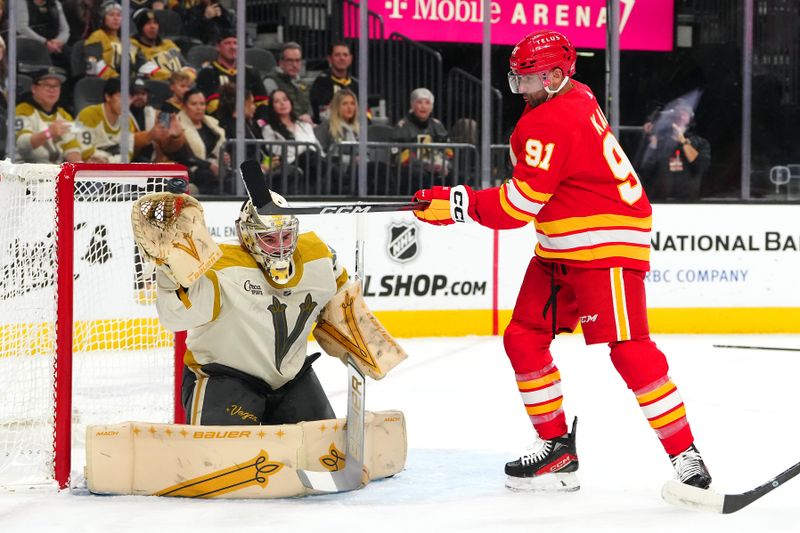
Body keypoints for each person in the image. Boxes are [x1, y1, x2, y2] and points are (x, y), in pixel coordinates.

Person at [411, 30, 712, 492]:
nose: (519, 87)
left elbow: (515, 209)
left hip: (606, 243)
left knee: (630, 349)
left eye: (526, 78)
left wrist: (456, 204)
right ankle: (557, 449)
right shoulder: (577, 93)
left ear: (554, 77)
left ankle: (686, 455)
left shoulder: (550, 120)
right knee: (522, 338)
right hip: (561, 244)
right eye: (516, 77)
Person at [154, 192, 349, 426]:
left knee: (326, 454)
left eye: (286, 236)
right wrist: (169, 271)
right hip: (224, 378)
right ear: (246, 235)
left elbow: (346, 312)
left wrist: (365, 355)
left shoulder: (318, 257)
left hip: (290, 380)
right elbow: (175, 319)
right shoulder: (219, 266)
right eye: (270, 239)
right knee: (221, 458)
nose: (280, 248)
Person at [634, 98, 711, 201]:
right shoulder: (659, 142)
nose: (681, 116)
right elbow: (643, 171)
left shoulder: (700, 143)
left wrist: (683, 141)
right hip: (660, 203)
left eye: (685, 113)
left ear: (691, 118)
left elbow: (701, 167)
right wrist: (651, 140)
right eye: (678, 113)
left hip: (690, 204)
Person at [75, 76, 154, 162]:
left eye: (129, 98)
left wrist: (107, 160)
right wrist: (110, 159)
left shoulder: (127, 121)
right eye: (121, 97)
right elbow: (84, 150)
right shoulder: (86, 115)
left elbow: (128, 154)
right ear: (108, 97)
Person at [194, 29, 269, 120]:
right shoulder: (208, 73)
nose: (233, 47)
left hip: (251, 124)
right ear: (218, 47)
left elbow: (262, 102)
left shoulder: (251, 72)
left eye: (235, 43)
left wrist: (259, 124)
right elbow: (212, 106)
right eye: (227, 43)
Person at [14, 66, 82, 163]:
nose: (52, 90)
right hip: (24, 170)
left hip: (54, 171)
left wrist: (79, 164)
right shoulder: (22, 109)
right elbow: (23, 145)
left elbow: (71, 146)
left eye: (56, 85)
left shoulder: (63, 114)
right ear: (34, 88)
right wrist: (48, 133)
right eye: (47, 85)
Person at [261, 88, 322, 194]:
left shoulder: (304, 125)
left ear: (290, 102)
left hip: (312, 161)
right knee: (310, 155)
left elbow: (316, 146)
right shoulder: (269, 129)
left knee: (322, 161)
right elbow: (276, 149)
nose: (282, 103)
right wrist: (303, 149)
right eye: (277, 101)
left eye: (285, 99)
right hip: (289, 163)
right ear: (272, 106)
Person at [394, 87, 452, 191]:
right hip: (411, 169)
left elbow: (448, 151)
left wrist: (444, 163)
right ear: (412, 105)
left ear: (431, 107)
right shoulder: (402, 126)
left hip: (435, 167)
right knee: (420, 176)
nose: (423, 106)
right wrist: (426, 166)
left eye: (427, 103)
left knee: (454, 174)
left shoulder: (437, 126)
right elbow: (400, 157)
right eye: (419, 102)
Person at [173, 87, 227, 194]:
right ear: (184, 106)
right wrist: (209, 165)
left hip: (215, 168)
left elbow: (218, 149)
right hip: (190, 171)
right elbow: (183, 156)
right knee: (206, 175)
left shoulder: (213, 125)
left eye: (202, 104)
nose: (199, 108)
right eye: (194, 104)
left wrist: (224, 157)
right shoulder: (176, 126)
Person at [130, 7, 194, 81]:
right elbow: (146, 69)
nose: (153, 27)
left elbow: (187, 66)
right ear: (140, 28)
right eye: (148, 24)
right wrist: (175, 77)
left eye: (155, 23)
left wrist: (188, 76)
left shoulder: (168, 44)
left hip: (182, 84)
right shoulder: (134, 47)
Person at [309, 41, 359, 124]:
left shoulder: (356, 84)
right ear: (330, 59)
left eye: (345, 55)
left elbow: (366, 113)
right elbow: (322, 114)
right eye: (337, 55)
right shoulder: (321, 82)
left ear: (350, 59)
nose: (342, 58)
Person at [263, 41, 312, 124]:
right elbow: (274, 111)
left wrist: (308, 115)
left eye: (297, 60)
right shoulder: (270, 82)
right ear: (281, 62)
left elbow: (309, 108)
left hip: (304, 126)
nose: (294, 65)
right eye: (290, 61)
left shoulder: (303, 83)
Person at [16, 0, 72, 73]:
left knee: (70, 56)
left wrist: (58, 41)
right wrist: (45, 42)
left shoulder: (56, 3)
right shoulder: (21, 2)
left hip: (54, 44)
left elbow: (65, 29)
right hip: (31, 42)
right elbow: (22, 28)